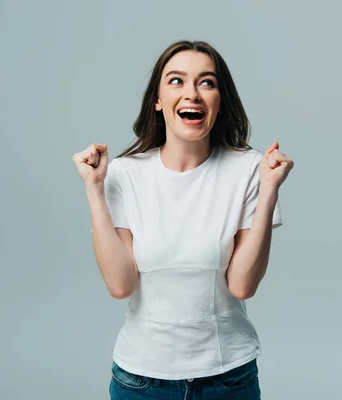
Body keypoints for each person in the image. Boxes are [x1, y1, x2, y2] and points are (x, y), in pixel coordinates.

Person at [72, 40, 294, 399]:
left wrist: (269, 191)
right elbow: (120, 285)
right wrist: (94, 190)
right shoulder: (125, 174)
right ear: (157, 100)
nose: (192, 93)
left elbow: (242, 286)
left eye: (206, 83)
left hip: (229, 378)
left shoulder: (250, 170)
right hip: (141, 381)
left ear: (220, 101)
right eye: (176, 81)